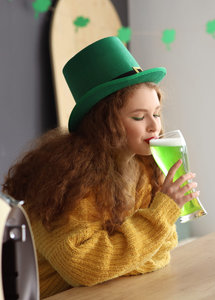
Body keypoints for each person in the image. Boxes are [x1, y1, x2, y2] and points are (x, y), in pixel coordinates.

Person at [1, 36, 199, 298]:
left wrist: (119, 262)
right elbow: (84, 269)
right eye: (139, 117)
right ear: (104, 122)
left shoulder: (144, 169)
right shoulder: (70, 179)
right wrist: (163, 213)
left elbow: (165, 247)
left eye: (157, 113)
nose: (155, 126)